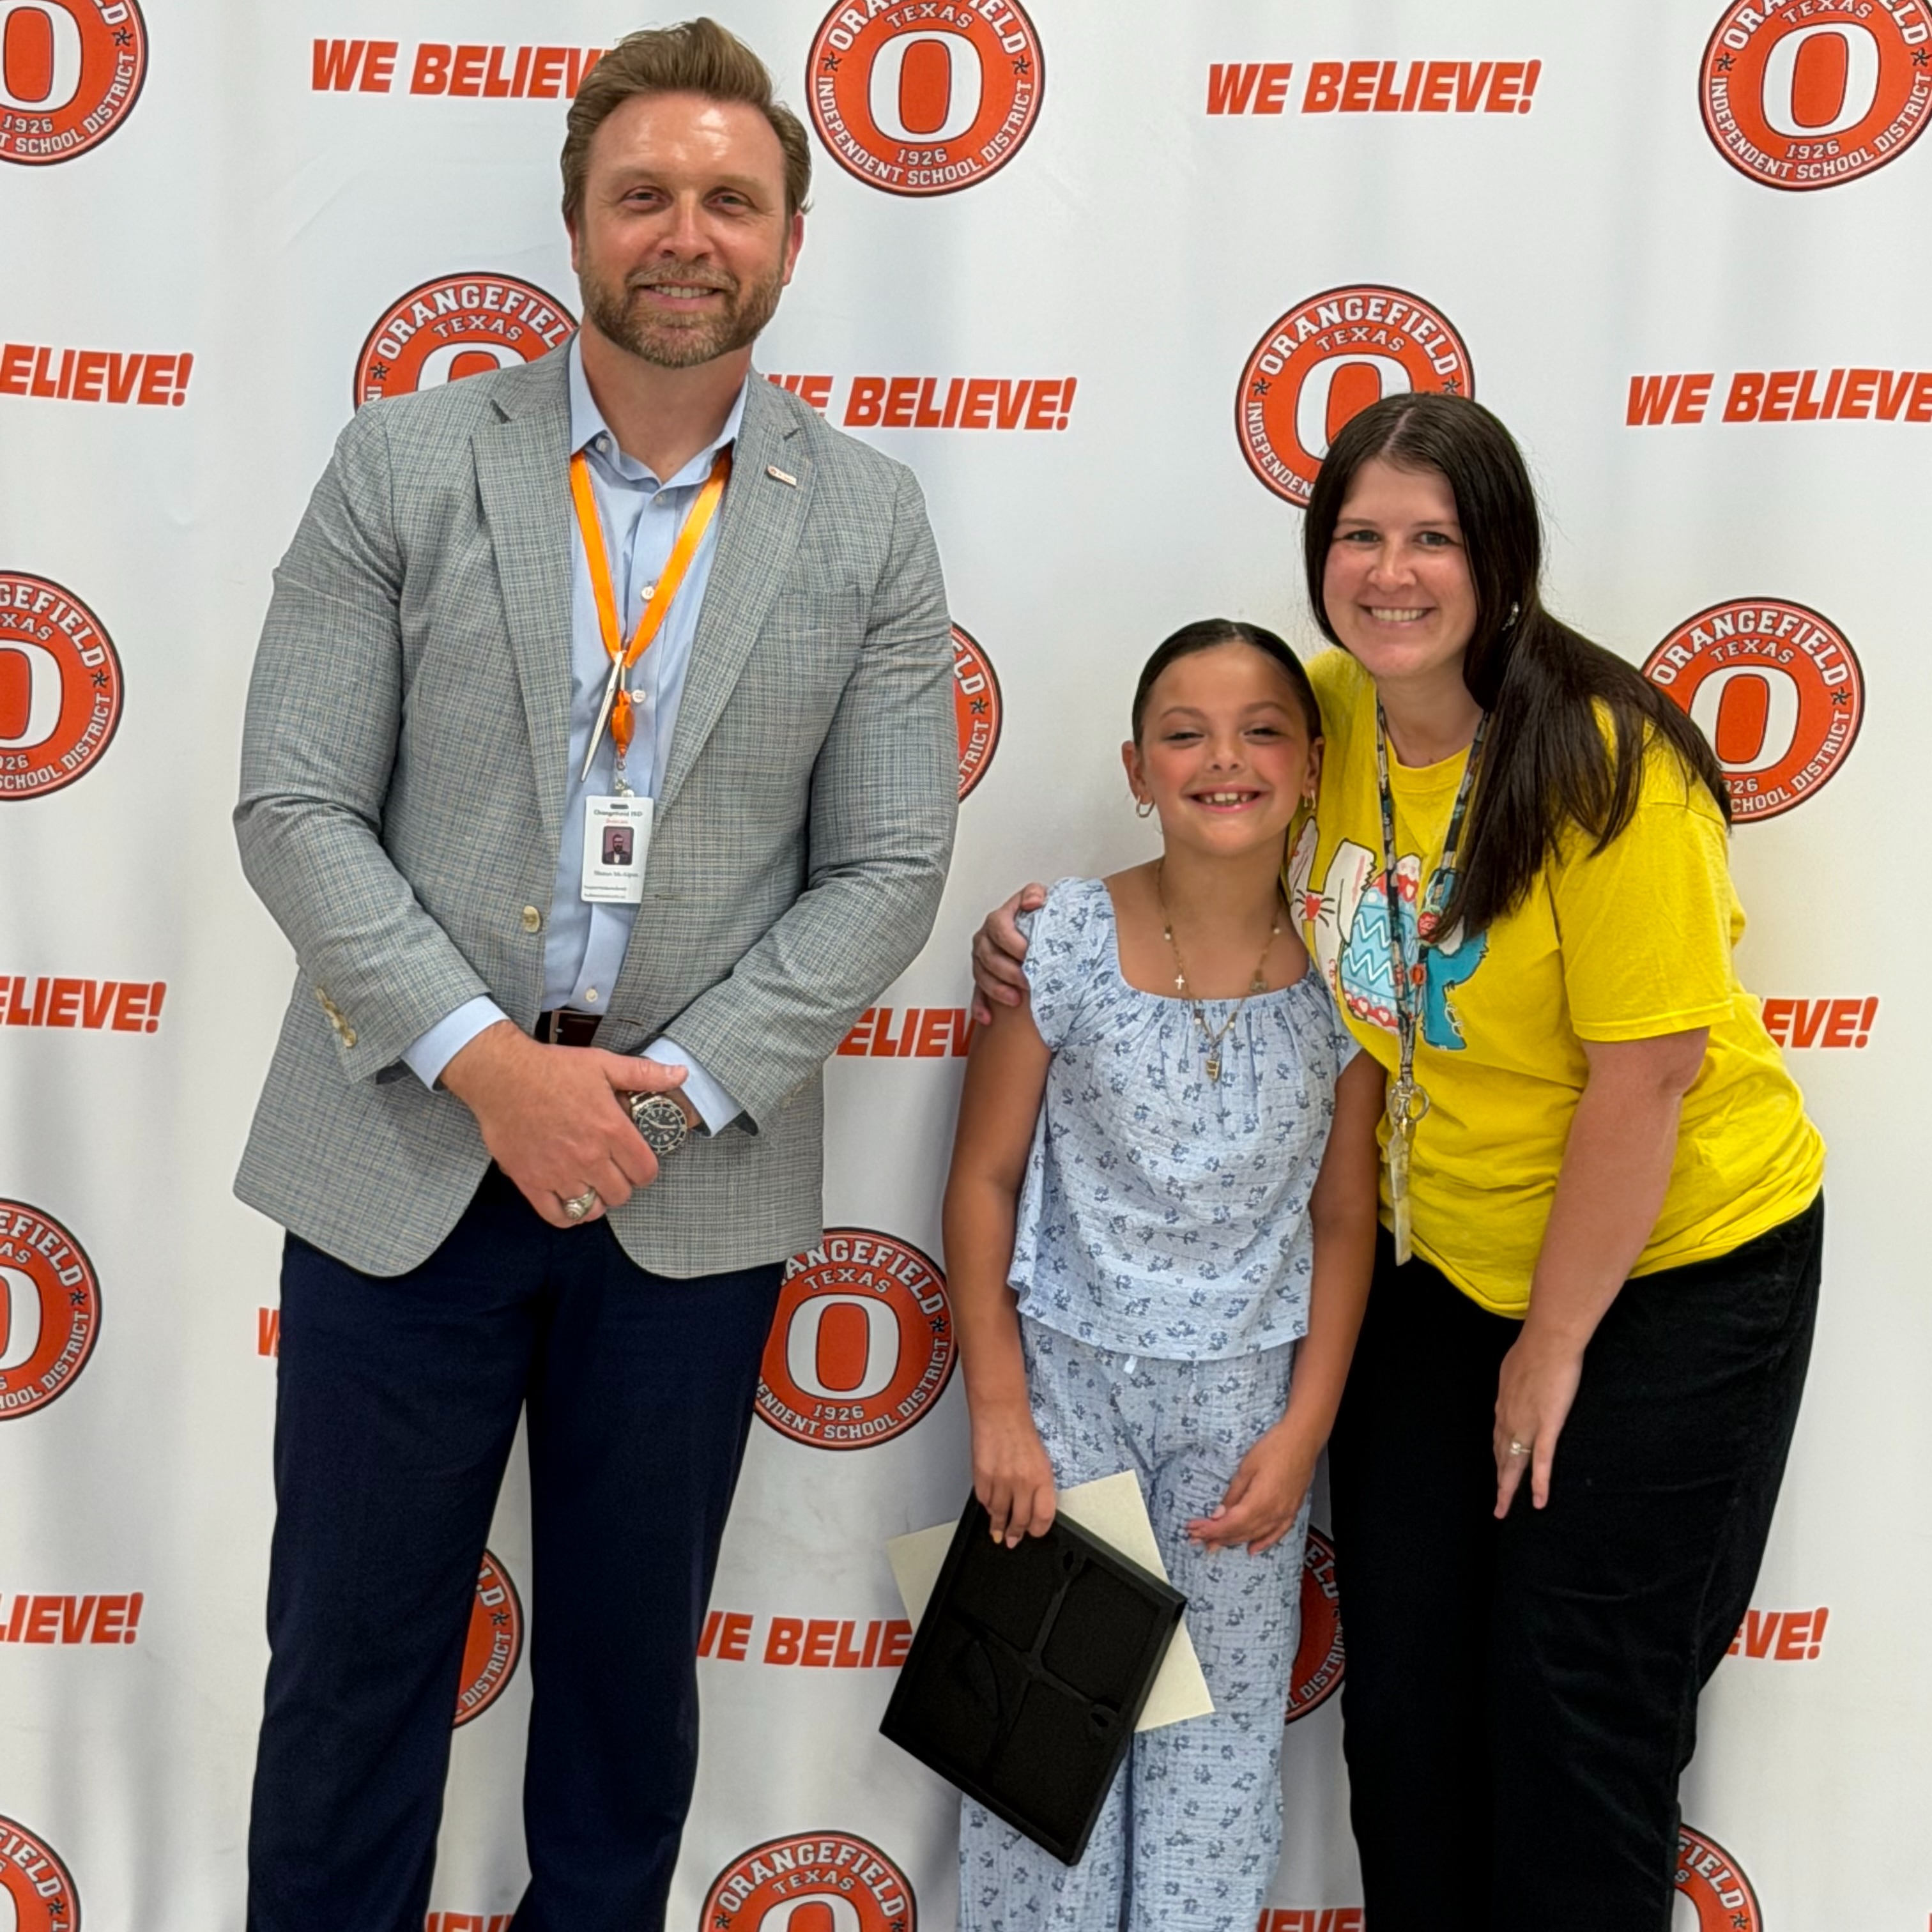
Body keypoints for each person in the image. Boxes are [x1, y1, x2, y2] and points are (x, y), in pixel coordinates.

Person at [233, 21, 956, 1931]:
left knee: (630, 1703)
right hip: (406, 1157)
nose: (685, 233)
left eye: (730, 199)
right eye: (644, 194)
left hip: (681, 1185)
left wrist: (670, 1093)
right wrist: (495, 1069)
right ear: (576, 224)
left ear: (789, 240)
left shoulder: (867, 518)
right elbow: (295, 805)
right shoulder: (404, 462)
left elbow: (888, 865)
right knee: (349, 1675)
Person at [972, 395, 1825, 1931]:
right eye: (1360, 535)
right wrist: (1040, 933)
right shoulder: (1325, 712)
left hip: (1663, 1268)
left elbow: (1648, 1079)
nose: (1392, 573)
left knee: (1572, 1700)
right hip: (1443, 1259)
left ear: (1502, 555)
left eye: (1433, 537)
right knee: (1410, 1703)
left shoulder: (1609, 769)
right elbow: (1209, 773)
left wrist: (1554, 1344)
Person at [946, 620, 1381, 1932]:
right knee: (1040, 1770)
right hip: (1066, 1409)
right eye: (1185, 735)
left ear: (1312, 766)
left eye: (1262, 732)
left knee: (1217, 1771)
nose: (1223, 760)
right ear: (1139, 770)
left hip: (1246, 1427)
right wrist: (1000, 1412)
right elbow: (985, 1180)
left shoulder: (1353, 969)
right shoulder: (1065, 939)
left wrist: (1302, 1433)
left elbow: (1345, 1218)